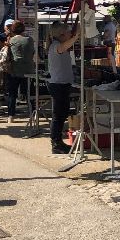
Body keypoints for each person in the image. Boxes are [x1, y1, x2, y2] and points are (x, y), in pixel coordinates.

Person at [47, 22, 80, 154]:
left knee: (61, 114)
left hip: (62, 84)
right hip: (58, 85)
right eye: (67, 32)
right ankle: (56, 143)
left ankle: (58, 142)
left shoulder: (56, 45)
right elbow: (64, 46)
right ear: (61, 34)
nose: (69, 34)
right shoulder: (56, 46)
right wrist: (76, 36)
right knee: (58, 116)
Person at [6, 20, 35, 123]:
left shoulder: (11, 40)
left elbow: (8, 55)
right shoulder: (30, 40)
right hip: (28, 70)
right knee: (29, 93)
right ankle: (33, 113)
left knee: (12, 94)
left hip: (14, 70)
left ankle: (11, 116)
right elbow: (32, 53)